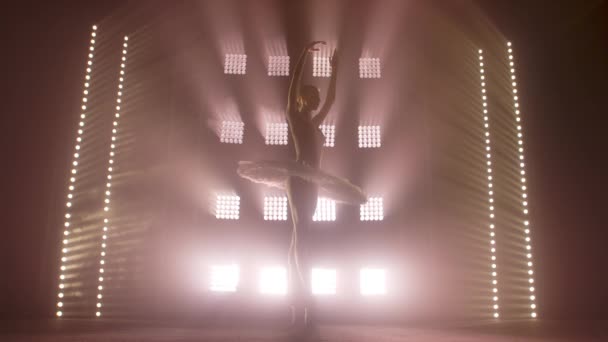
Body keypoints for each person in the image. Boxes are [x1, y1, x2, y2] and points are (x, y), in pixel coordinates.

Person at [236, 41, 366, 332]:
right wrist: (302, 55)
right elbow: (292, 87)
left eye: (317, 96)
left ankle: (297, 306)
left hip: (313, 182)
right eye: (312, 95)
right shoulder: (295, 118)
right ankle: (308, 302)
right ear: (303, 100)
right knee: (303, 238)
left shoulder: (315, 120)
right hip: (299, 180)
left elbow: (332, 99)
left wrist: (335, 70)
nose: (317, 99)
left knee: (298, 241)